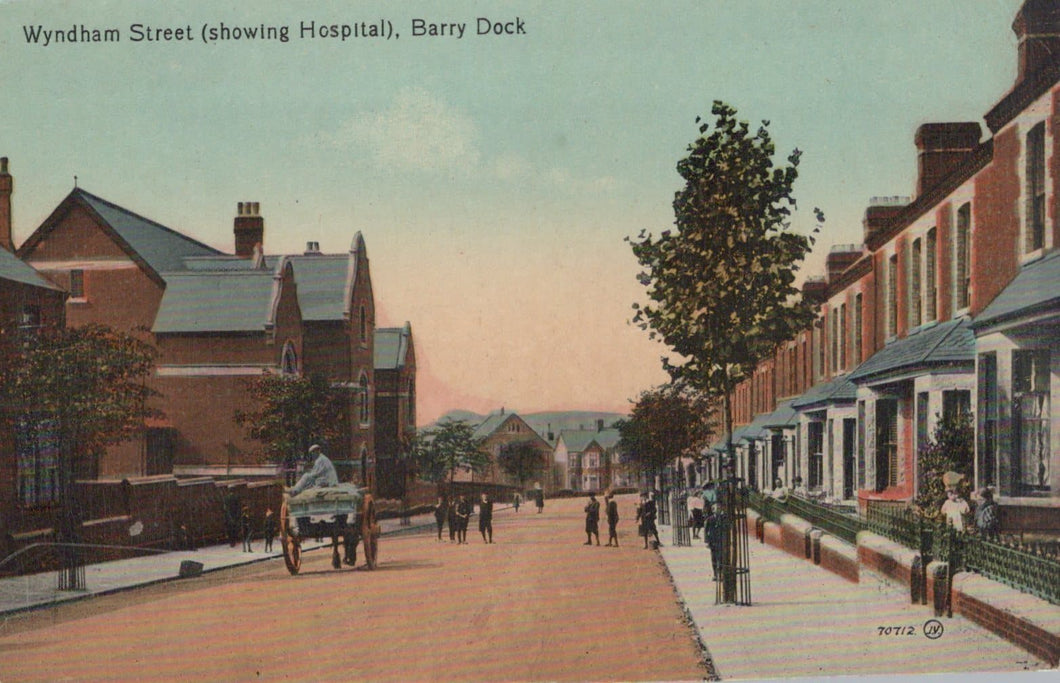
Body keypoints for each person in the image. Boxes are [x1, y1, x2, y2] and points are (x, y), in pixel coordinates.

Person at [705, 506, 725, 581]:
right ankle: (715, 574)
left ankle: (721, 574)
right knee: (714, 559)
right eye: (717, 509)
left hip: (721, 541)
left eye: (719, 509)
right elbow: (706, 531)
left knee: (721, 558)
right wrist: (707, 541)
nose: (719, 510)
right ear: (713, 511)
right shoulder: (710, 519)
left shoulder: (723, 518)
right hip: (713, 542)